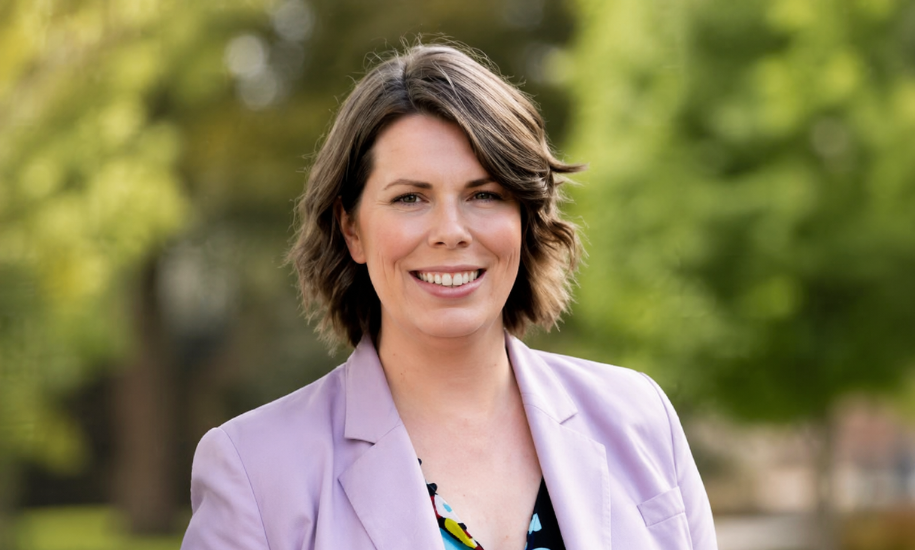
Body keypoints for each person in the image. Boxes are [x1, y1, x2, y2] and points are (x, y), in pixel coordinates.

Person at [181, 42, 717, 550]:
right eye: (410, 198)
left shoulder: (639, 420)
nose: (451, 231)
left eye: (484, 194)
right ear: (351, 229)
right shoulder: (254, 472)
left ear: (524, 216)